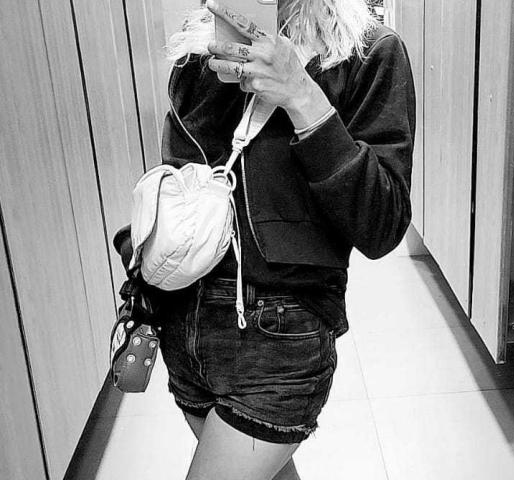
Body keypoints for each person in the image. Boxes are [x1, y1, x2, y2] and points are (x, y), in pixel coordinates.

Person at [113, 0, 415, 478]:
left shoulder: (367, 52)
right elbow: (185, 187)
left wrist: (302, 96)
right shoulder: (199, 52)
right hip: (184, 326)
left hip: (279, 337)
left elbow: (382, 225)